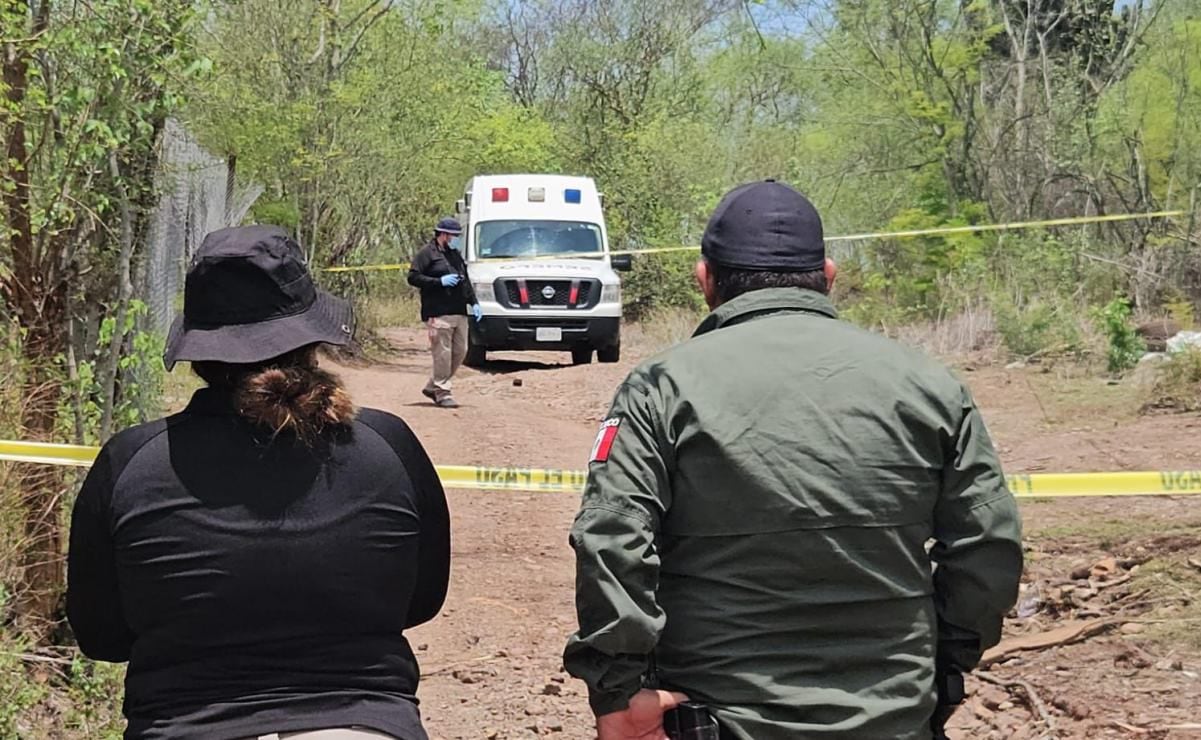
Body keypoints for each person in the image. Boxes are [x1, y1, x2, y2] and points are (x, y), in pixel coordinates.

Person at [563, 180, 1024, 740]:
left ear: (705, 279)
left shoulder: (660, 388)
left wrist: (618, 693)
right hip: (893, 716)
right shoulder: (932, 387)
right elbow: (988, 547)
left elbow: (612, 537)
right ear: (829, 277)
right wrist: (944, 665)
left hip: (719, 719)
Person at [66, 225, 450, 740]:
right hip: (364, 723)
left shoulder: (131, 461)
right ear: (312, 338)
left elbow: (102, 636)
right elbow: (421, 601)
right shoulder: (389, 445)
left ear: (199, 349)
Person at [407, 217, 481, 408]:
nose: (456, 239)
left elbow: (465, 280)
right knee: (442, 353)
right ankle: (442, 392)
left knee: (460, 351)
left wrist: (474, 302)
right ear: (443, 234)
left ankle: (433, 384)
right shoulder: (427, 254)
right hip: (438, 312)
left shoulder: (455, 255)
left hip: (459, 310)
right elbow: (413, 277)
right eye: (454, 235)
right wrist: (438, 282)